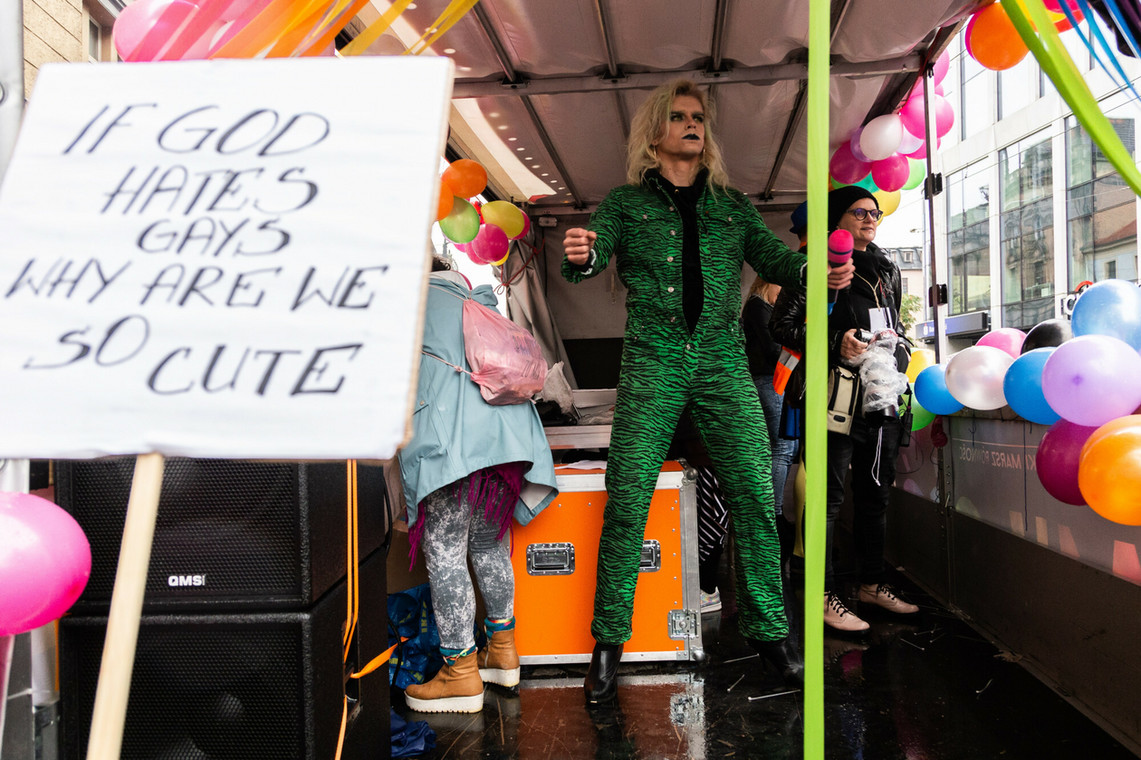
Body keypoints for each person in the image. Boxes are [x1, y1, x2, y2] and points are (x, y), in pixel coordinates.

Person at [561, 79, 854, 703]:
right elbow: (589, 261)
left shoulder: (732, 205)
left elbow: (777, 263)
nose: (693, 125)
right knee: (629, 496)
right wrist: (582, 252)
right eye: (679, 117)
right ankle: (608, 641)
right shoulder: (623, 204)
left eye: (699, 117)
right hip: (652, 359)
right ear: (654, 132)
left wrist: (819, 268)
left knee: (753, 491)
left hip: (722, 359)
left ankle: (772, 634)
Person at [398, 255, 559, 713]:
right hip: (508, 441)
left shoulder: (414, 302)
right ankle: (503, 652)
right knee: (488, 543)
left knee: (445, 547)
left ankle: (460, 672)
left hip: (456, 441)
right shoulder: (479, 299)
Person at [770, 185, 919, 635]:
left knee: (875, 494)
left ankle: (872, 583)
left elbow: (892, 322)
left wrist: (898, 347)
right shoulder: (816, 266)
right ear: (836, 219)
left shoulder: (887, 268)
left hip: (880, 397)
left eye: (875, 212)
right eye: (859, 212)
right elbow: (782, 326)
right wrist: (838, 342)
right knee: (828, 499)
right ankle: (820, 592)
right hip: (832, 398)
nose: (870, 218)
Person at [741, 276, 797, 571]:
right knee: (782, 447)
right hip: (768, 380)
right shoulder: (758, 308)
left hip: (773, 381)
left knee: (784, 446)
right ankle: (774, 512)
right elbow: (773, 351)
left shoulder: (758, 308)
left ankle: (774, 512)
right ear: (769, 285)